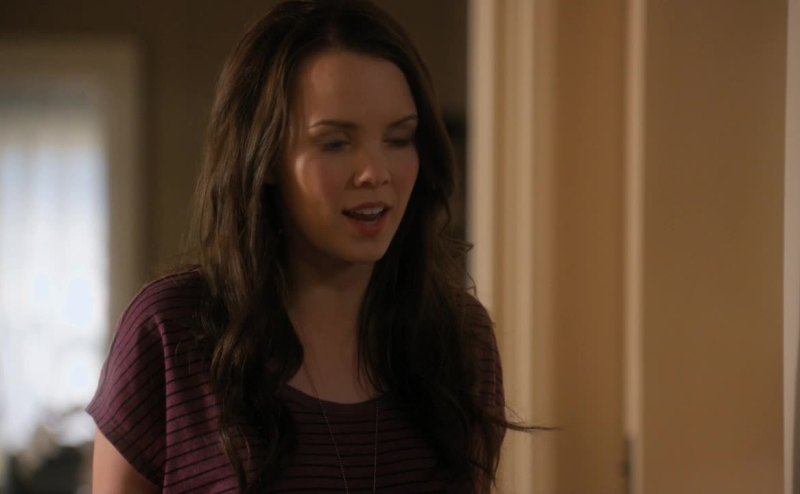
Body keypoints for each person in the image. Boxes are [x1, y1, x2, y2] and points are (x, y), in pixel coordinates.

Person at [87, 0, 510, 492]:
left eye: (399, 138)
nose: (375, 173)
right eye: (335, 143)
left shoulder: (459, 340)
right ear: (264, 157)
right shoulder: (170, 330)